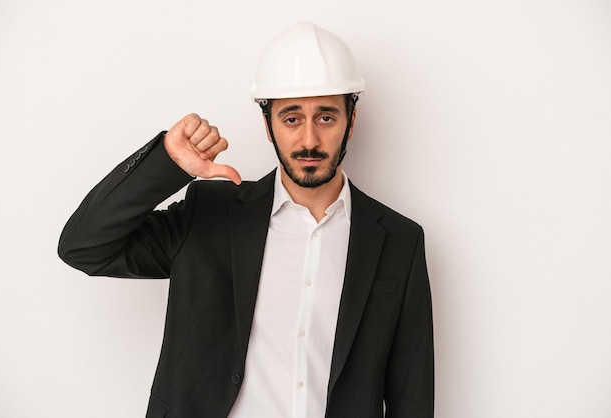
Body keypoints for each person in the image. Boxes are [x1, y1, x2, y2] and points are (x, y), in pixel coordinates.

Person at [58, 21, 434, 418]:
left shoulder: (398, 240)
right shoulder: (210, 214)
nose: (309, 140)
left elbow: (412, 396)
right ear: (268, 126)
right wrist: (167, 163)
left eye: (326, 117)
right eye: (291, 119)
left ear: (350, 123)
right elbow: (83, 247)